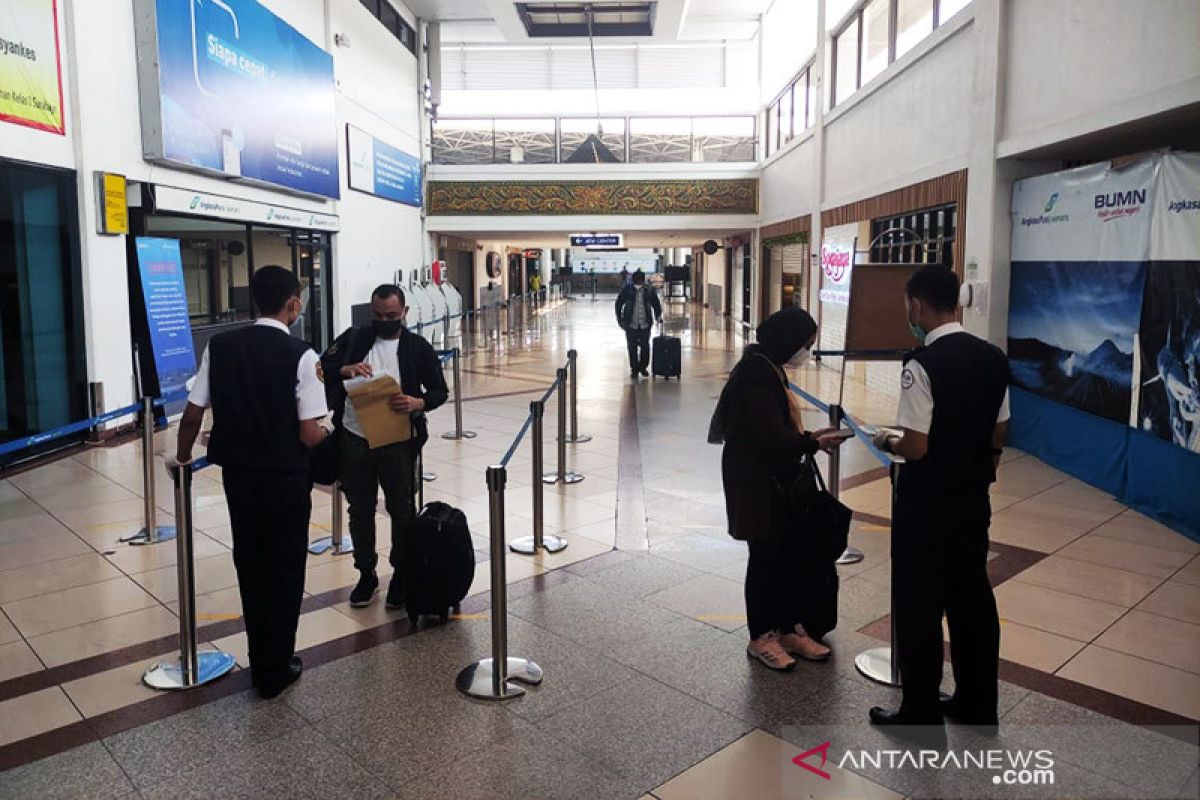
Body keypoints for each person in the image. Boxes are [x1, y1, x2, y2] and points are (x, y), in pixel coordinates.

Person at [868, 265, 1009, 749]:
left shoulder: (921, 364)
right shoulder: (993, 357)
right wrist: (979, 464)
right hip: (972, 500)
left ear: (917, 305)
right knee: (971, 598)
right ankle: (977, 702)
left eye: (909, 305)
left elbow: (916, 446)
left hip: (926, 505)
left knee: (919, 605)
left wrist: (886, 437)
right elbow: (999, 429)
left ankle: (920, 713)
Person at [174, 266, 331, 699]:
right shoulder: (303, 355)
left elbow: (192, 413)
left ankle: (260, 656)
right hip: (286, 479)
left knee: (251, 562)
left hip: (239, 478)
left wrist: (184, 457)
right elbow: (309, 433)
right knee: (284, 568)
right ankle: (275, 667)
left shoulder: (221, 347)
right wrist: (330, 428)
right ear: (293, 304)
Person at [710, 307, 848, 670]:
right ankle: (762, 637)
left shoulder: (768, 366)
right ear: (789, 340)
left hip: (775, 478)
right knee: (765, 558)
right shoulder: (757, 373)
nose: (806, 351)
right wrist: (810, 445)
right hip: (757, 482)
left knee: (786, 555)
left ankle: (788, 629)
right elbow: (769, 435)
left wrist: (806, 439)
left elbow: (775, 429)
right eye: (805, 344)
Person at [320, 285, 449, 609]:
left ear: (404, 313)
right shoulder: (355, 338)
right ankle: (366, 574)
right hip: (355, 436)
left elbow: (439, 391)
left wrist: (418, 402)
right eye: (378, 316)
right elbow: (322, 367)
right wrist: (345, 369)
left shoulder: (417, 348)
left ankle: (401, 575)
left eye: (391, 316)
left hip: (398, 440)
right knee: (359, 510)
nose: (384, 321)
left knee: (401, 511)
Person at [615, 269, 663, 378]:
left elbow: (656, 304)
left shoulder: (649, 290)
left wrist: (658, 316)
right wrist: (620, 318)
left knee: (645, 347)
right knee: (632, 347)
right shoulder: (627, 290)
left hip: (645, 323)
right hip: (630, 324)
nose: (639, 283)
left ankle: (643, 367)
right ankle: (634, 369)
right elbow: (619, 304)